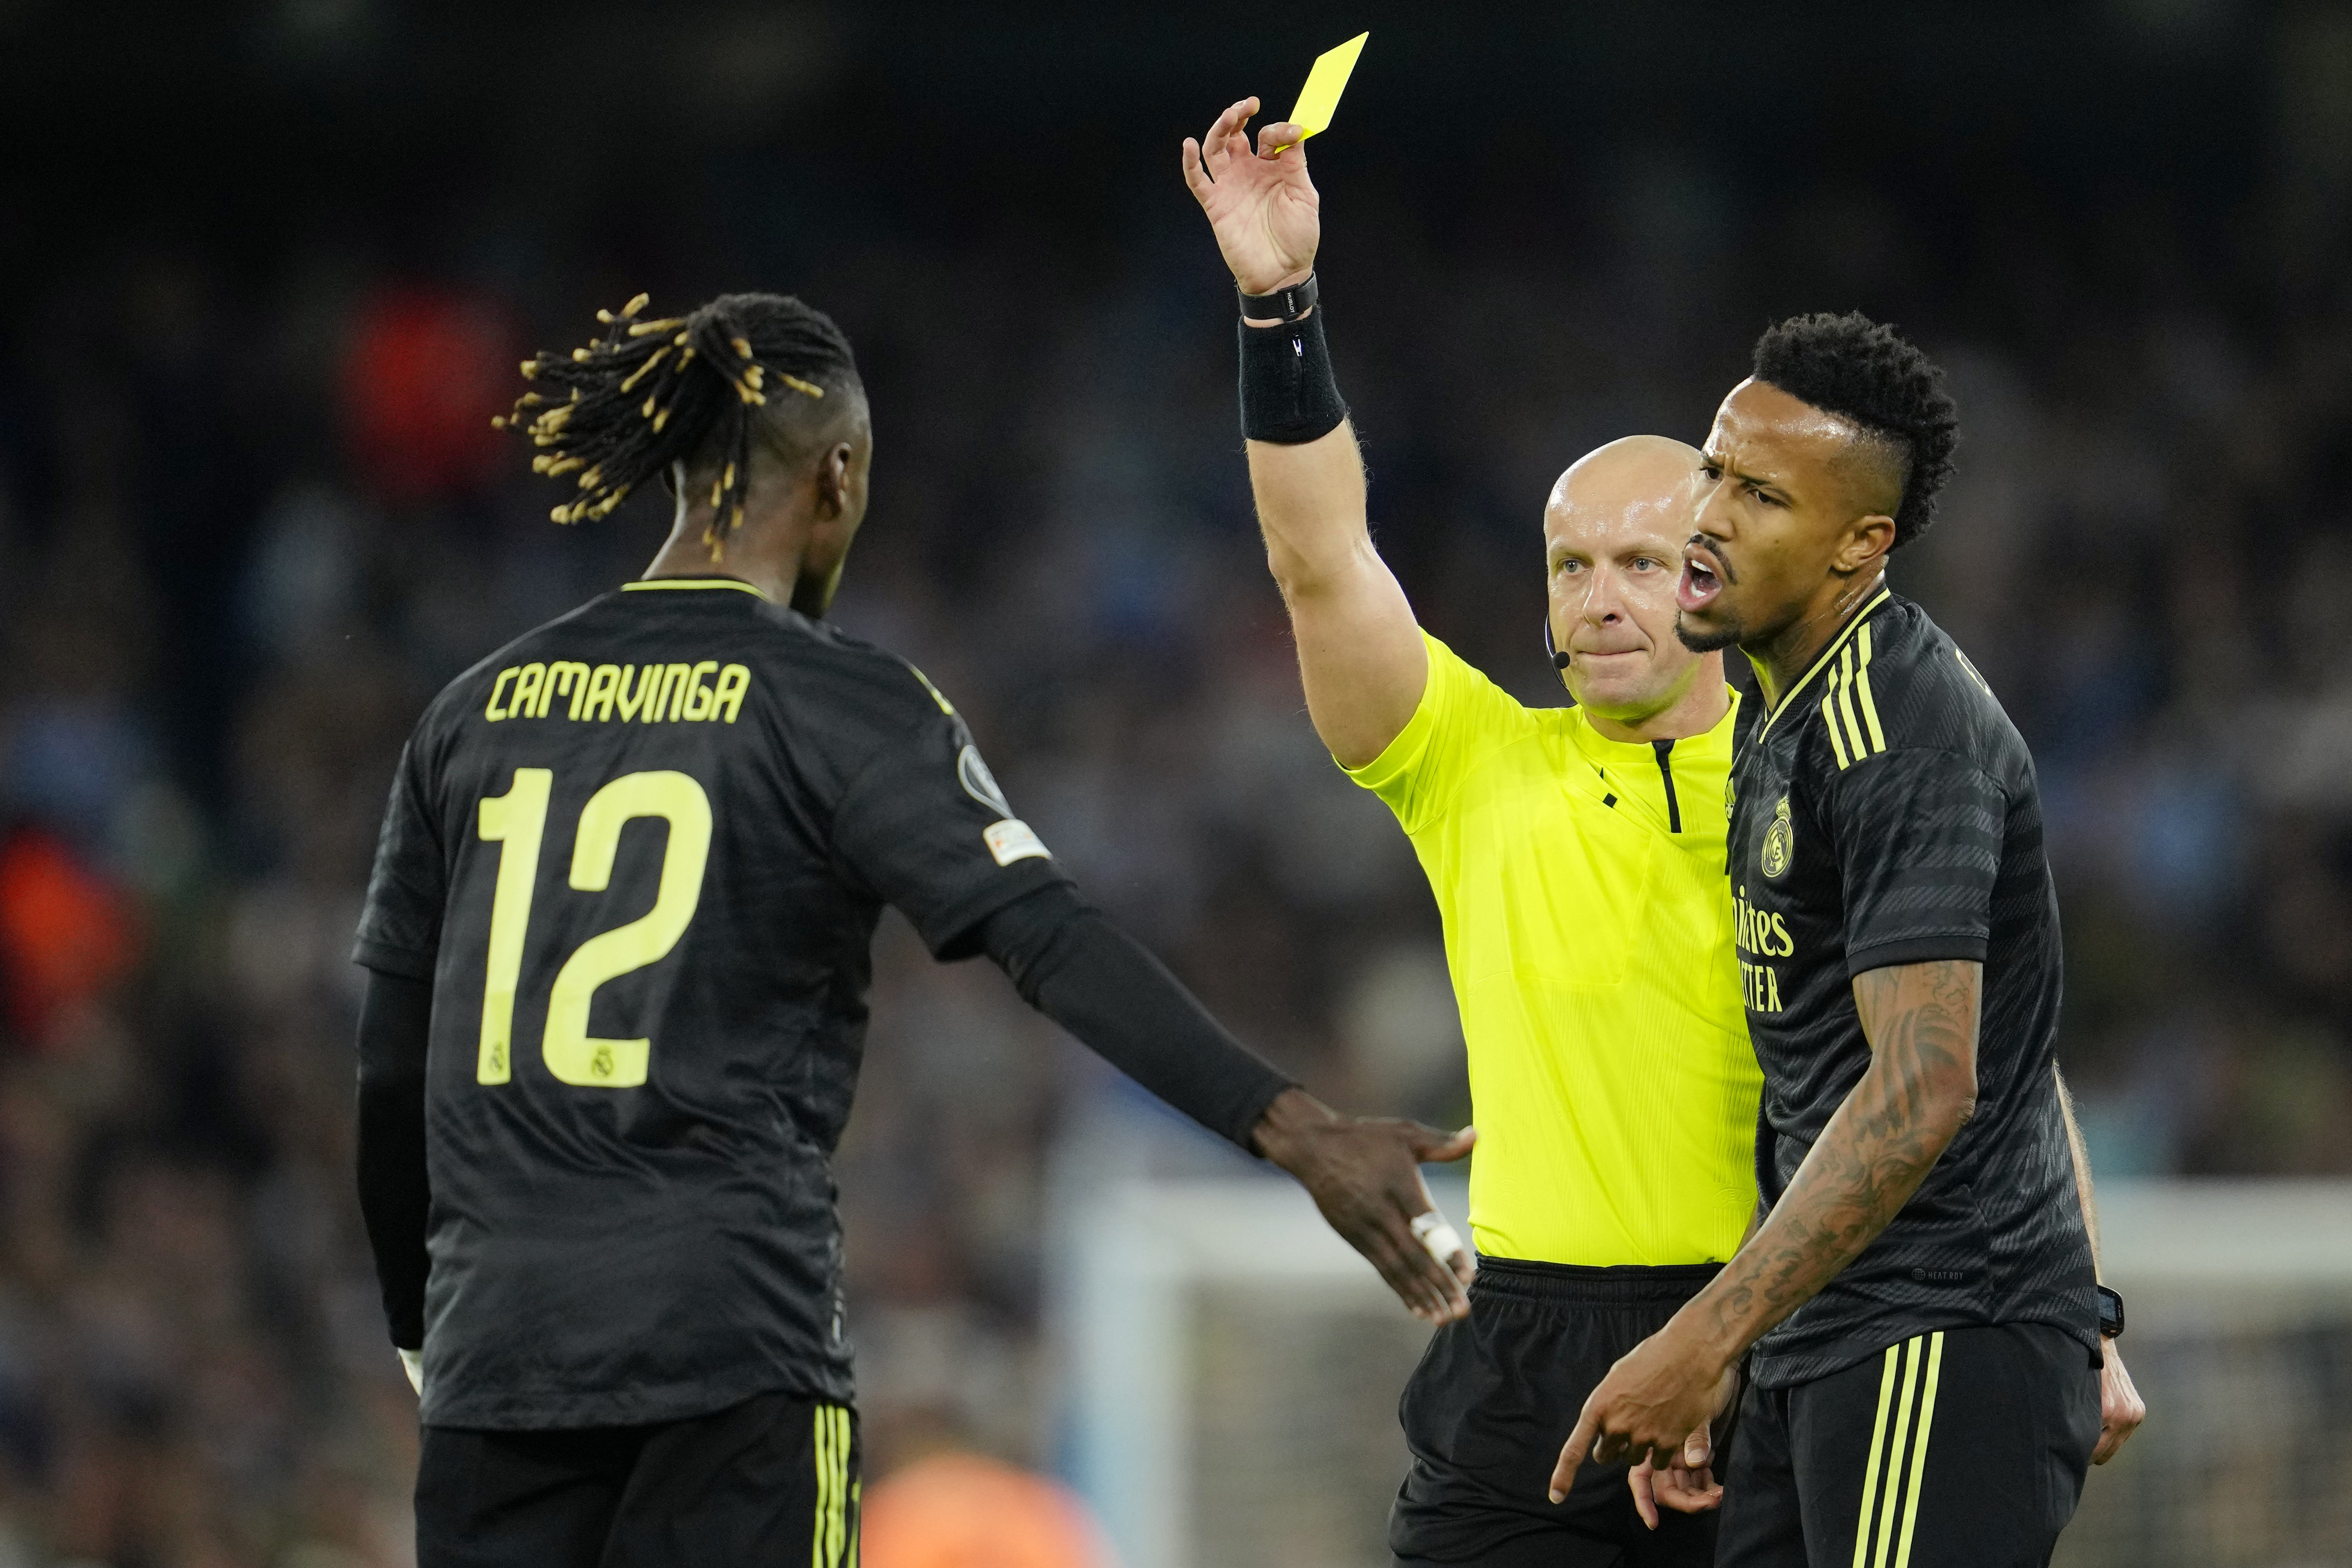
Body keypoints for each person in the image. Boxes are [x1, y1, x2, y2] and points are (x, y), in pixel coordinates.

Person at [349, 290, 1480, 1568]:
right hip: (725, 1353)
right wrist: (1296, 1128)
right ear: (838, 475)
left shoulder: (472, 712)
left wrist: (423, 1324)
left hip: (496, 1361)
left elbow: (391, 1068)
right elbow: (1047, 940)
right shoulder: (837, 703)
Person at [1183, 99, 1763, 1568]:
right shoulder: (1477, 764)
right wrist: (1277, 304)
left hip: (1771, 1345)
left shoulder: (1826, 775)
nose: (1598, 598)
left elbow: (1972, 1051)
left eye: (1642, 563)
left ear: (1718, 578)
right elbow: (1321, 561)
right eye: (1570, 565)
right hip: (1522, 1355)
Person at [1549, 312, 2148, 1566]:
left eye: (1761, 496)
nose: (1709, 517)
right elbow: (1975, 1043)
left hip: (1935, 1328)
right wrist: (1743, 1346)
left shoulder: (1898, 728)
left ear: (1859, 544)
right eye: (1714, 472)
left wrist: (1704, 1335)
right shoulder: (1787, 716)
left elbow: (1928, 1081)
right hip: (1827, 1336)